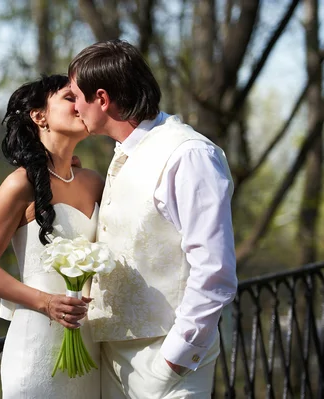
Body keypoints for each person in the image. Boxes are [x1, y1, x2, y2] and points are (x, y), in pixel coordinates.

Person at [68, 39, 238, 398]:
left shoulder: (189, 154)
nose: (74, 107)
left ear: (101, 98)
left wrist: (173, 361)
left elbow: (214, 271)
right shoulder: (124, 153)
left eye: (76, 96)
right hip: (113, 358)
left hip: (168, 358)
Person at [0, 74, 104, 398]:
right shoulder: (19, 185)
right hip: (37, 347)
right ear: (39, 116)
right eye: (70, 98)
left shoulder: (95, 181)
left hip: (89, 349)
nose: (81, 104)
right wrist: (46, 303)